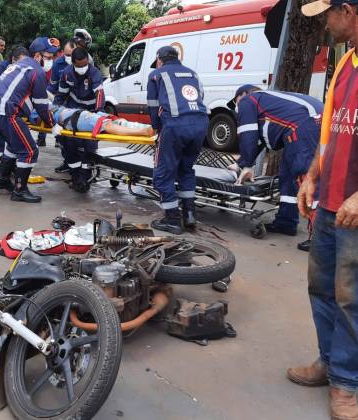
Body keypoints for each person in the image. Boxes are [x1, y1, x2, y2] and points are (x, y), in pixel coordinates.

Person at [286, 1, 358, 418]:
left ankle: (346, 384)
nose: (324, 24)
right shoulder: (345, 63)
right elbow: (329, 131)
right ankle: (329, 363)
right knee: (322, 289)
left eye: (327, 15)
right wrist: (313, 174)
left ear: (347, 11)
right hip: (329, 205)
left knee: (352, 298)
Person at [228, 85, 322, 249]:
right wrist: (241, 164)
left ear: (243, 94)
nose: (238, 108)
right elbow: (258, 139)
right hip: (313, 122)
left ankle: (319, 238)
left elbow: (248, 135)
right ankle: (286, 222)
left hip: (304, 126)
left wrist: (247, 165)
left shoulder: (248, 101)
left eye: (236, 102)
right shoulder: (270, 100)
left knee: (306, 176)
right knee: (287, 174)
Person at [0, 41, 54, 203]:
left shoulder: (20, 65)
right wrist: (52, 124)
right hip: (4, 112)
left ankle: (2, 179)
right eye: (48, 57)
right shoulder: (36, 71)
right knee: (29, 151)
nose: (51, 61)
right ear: (37, 56)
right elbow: (41, 106)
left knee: (15, 145)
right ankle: (20, 190)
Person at [147, 46, 208, 234]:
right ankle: (189, 215)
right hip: (200, 124)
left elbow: (152, 105)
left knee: (163, 173)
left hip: (174, 126)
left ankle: (172, 219)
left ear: (159, 59)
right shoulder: (193, 74)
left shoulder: (156, 75)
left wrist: (158, 130)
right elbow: (200, 98)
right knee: (185, 169)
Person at [54, 47, 105, 192]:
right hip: (73, 114)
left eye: (84, 65)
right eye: (79, 66)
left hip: (89, 114)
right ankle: (76, 176)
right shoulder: (67, 74)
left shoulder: (94, 73)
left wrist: (99, 113)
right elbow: (60, 96)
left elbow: (99, 94)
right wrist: (55, 112)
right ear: (73, 63)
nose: (82, 68)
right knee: (69, 145)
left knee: (89, 148)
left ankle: (86, 176)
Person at [0, 46, 30, 182]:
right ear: (13, 58)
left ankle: (4, 169)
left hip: (4, 105)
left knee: (6, 138)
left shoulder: (17, 68)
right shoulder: (1, 67)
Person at [49, 38, 77, 173]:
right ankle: (67, 162)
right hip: (62, 106)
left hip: (78, 106)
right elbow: (52, 86)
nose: (68, 58)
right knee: (62, 138)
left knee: (77, 140)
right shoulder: (57, 64)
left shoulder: (84, 63)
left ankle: (79, 166)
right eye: (66, 55)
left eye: (71, 55)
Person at [47, 105, 153, 137]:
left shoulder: (41, 103)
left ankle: (145, 130)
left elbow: (39, 118)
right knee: (109, 123)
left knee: (109, 123)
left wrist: (54, 124)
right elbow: (39, 119)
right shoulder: (38, 105)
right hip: (72, 116)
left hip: (73, 116)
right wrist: (54, 124)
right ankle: (146, 129)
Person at [35, 37, 60, 147]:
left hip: (53, 93)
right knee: (44, 112)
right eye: (47, 55)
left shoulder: (55, 65)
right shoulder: (38, 64)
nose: (50, 57)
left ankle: (58, 139)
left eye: (52, 55)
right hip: (43, 93)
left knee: (55, 113)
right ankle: (41, 138)